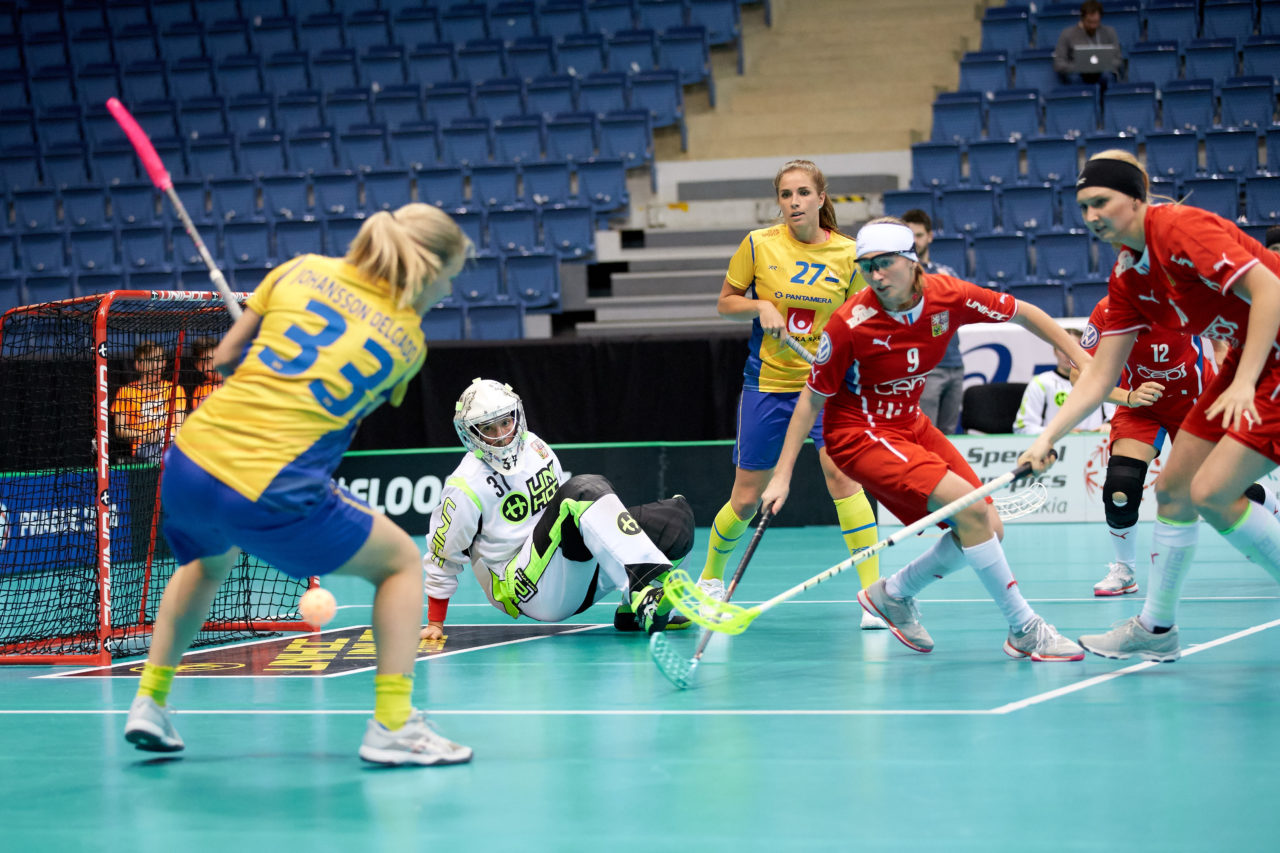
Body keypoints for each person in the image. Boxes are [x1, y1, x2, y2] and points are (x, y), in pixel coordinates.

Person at [123, 203, 476, 766]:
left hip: (190, 459)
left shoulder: (299, 268)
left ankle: (150, 701)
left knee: (205, 565)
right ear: (428, 272)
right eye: (451, 278)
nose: (448, 291)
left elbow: (226, 358)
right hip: (271, 483)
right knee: (401, 564)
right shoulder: (408, 342)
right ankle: (392, 724)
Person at [761, 217, 1089, 661]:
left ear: (913, 262)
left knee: (988, 526)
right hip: (860, 433)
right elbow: (809, 402)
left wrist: (1081, 359)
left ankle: (893, 593)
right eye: (867, 266)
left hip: (910, 424)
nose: (876, 275)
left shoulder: (948, 296)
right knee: (971, 510)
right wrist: (782, 476)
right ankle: (1025, 629)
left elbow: (1024, 313)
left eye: (885, 264)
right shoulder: (849, 325)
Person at [1021, 150, 1280, 662]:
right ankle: (1157, 629)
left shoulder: (1180, 229)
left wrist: (1246, 379)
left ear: (1137, 198)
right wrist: (1048, 438)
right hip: (1244, 368)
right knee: (1174, 491)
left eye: (1102, 202)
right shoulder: (1128, 277)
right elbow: (1098, 375)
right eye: (1084, 207)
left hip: (1268, 362)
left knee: (1211, 492)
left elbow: (1270, 287)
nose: (1092, 216)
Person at [703, 159, 885, 630]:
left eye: (803, 193)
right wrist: (760, 304)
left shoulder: (849, 255)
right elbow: (725, 302)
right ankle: (710, 581)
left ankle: (874, 594)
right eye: (786, 195)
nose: (794, 202)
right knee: (745, 498)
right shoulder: (758, 244)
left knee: (842, 477)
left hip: (826, 385)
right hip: (769, 383)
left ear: (822, 199)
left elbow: (865, 321)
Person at [421, 378, 695, 640]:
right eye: (489, 429)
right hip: (526, 590)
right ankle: (642, 593)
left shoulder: (534, 445)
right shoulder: (465, 485)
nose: (502, 436)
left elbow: (570, 517)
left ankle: (631, 611)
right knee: (583, 490)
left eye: (506, 422)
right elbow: (443, 554)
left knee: (675, 519)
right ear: (471, 434)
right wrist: (435, 621)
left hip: (570, 574)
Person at [1077, 295, 1278, 597]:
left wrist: (1228, 369)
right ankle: (1125, 570)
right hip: (1140, 405)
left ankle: (1273, 506)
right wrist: (1128, 397)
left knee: (1225, 489)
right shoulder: (1108, 308)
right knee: (1121, 488)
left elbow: (1223, 338)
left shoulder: (1188, 296)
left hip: (1196, 404)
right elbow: (1079, 374)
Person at [903, 209, 964, 435]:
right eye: (909, 237)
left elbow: (958, 311)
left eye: (918, 235)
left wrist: (938, 316)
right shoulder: (902, 277)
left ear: (929, 236)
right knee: (926, 434)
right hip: (925, 368)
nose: (914, 242)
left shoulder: (947, 273)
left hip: (955, 364)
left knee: (949, 435)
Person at [1013, 327, 1112, 435]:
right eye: (1062, 348)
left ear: (1086, 352)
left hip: (1095, 447)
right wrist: (1058, 433)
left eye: (1075, 348)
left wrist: (1110, 426)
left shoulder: (1101, 383)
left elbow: (1116, 421)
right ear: (1055, 351)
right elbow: (1022, 428)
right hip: (1054, 448)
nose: (1068, 354)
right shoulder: (1041, 383)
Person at [111, 340, 187, 462]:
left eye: (160, 360)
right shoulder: (127, 391)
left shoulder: (175, 389)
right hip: (144, 447)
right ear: (138, 365)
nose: (156, 366)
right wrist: (146, 436)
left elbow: (180, 426)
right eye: (150, 360)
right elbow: (120, 429)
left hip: (172, 445)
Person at [1053, 1, 1122, 86]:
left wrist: (1104, 65)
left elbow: (1118, 59)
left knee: (1108, 76)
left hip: (1103, 72)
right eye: (1089, 22)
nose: (1093, 26)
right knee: (1074, 78)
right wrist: (1077, 67)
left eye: (1096, 22)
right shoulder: (1067, 34)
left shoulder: (1109, 32)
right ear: (1082, 18)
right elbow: (1058, 63)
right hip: (1077, 73)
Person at [188, 337, 222, 411]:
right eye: (207, 362)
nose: (214, 365)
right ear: (198, 366)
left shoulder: (239, 380)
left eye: (217, 358)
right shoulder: (201, 391)